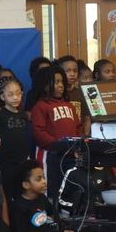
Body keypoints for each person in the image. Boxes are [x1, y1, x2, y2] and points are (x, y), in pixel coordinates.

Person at [29, 66, 81, 198]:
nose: (61, 85)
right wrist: (58, 145)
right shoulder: (40, 106)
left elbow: (78, 127)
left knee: (68, 186)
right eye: (56, 82)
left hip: (69, 154)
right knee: (50, 187)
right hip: (50, 155)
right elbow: (39, 132)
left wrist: (76, 144)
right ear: (45, 86)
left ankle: (66, 213)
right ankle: (49, 214)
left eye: (62, 82)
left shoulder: (69, 105)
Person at [9, 160, 65, 232]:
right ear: (26, 185)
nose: (44, 182)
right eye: (38, 179)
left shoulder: (42, 199)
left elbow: (55, 216)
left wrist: (65, 229)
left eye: (44, 178)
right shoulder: (18, 206)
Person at [0, 76, 31, 202]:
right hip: (7, 163)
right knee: (8, 195)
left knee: (23, 193)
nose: (15, 97)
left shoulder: (23, 115)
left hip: (23, 161)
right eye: (10, 94)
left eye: (18, 94)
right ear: (2, 97)